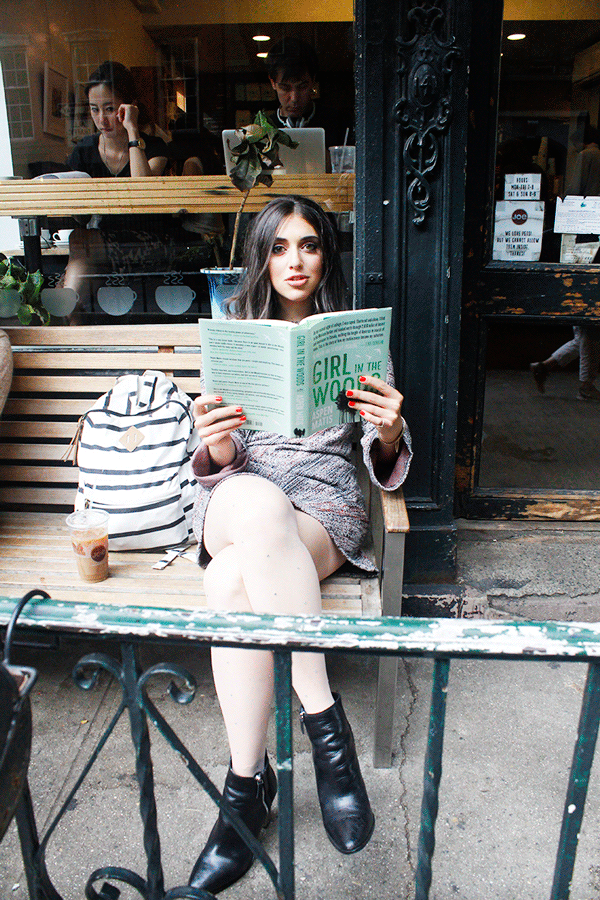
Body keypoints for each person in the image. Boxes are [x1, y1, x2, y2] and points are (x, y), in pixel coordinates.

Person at [187, 195, 411, 894]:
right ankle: (326, 729)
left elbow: (383, 460)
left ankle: (243, 793)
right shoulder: (236, 335)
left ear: (326, 256)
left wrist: (392, 431)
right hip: (239, 499)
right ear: (262, 257)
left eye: (309, 245)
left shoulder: (355, 341)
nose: (295, 260)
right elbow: (218, 462)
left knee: (229, 584)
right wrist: (217, 441)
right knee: (253, 501)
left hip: (321, 512)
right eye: (279, 247)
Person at [61, 61, 170, 310]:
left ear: (128, 105)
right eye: (94, 109)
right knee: (80, 242)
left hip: (149, 243)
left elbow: (142, 193)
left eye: (110, 109)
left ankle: (66, 310)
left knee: (80, 244)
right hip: (101, 243)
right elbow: (79, 217)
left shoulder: (153, 147)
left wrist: (132, 130)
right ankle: (71, 313)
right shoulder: (84, 151)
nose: (102, 119)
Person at [530, 125, 600, 401]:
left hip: (582, 242)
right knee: (588, 327)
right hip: (590, 241)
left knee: (586, 327)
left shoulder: (585, 158)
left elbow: (571, 197)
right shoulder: (593, 158)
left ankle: (545, 367)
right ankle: (584, 384)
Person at [265, 37, 350, 146]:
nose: (294, 98)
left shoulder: (337, 122)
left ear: (313, 81)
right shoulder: (264, 129)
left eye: (302, 87)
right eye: (285, 88)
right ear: (272, 83)